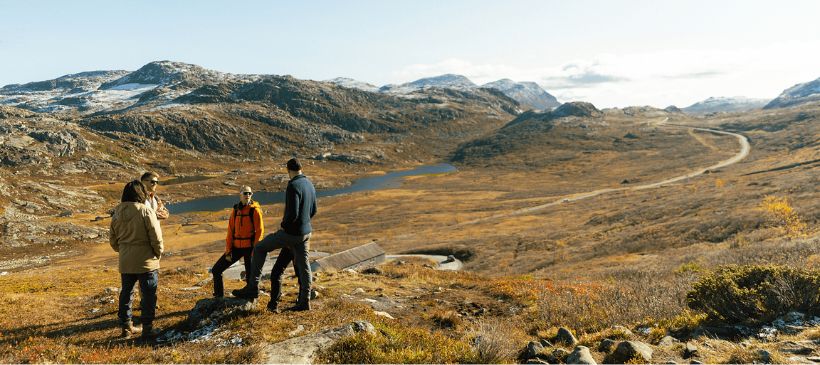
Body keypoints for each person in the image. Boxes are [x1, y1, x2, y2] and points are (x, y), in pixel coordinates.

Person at [233, 158, 317, 312]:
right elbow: (314, 210)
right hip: (306, 233)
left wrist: (285, 227)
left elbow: (292, 213)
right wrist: (303, 224)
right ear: (301, 168)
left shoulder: (293, 185)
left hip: (291, 233)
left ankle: (252, 288)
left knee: (259, 248)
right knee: (304, 267)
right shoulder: (309, 183)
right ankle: (305, 301)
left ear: (288, 170)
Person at [109, 180, 164, 341]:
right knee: (148, 295)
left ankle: (126, 327)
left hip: (126, 261)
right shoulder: (146, 211)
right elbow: (156, 237)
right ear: (141, 194)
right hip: (147, 261)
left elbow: (113, 240)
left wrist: (124, 251)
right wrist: (157, 253)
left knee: (126, 293)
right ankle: (147, 328)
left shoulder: (117, 213)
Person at [210, 185, 264, 298]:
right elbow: (230, 232)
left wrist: (255, 250)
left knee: (250, 277)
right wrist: (228, 251)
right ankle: (219, 297)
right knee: (216, 270)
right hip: (236, 248)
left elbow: (259, 231)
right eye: (245, 193)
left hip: (249, 248)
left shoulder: (255, 211)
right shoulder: (235, 211)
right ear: (240, 195)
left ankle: (250, 298)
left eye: (250, 193)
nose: (247, 195)